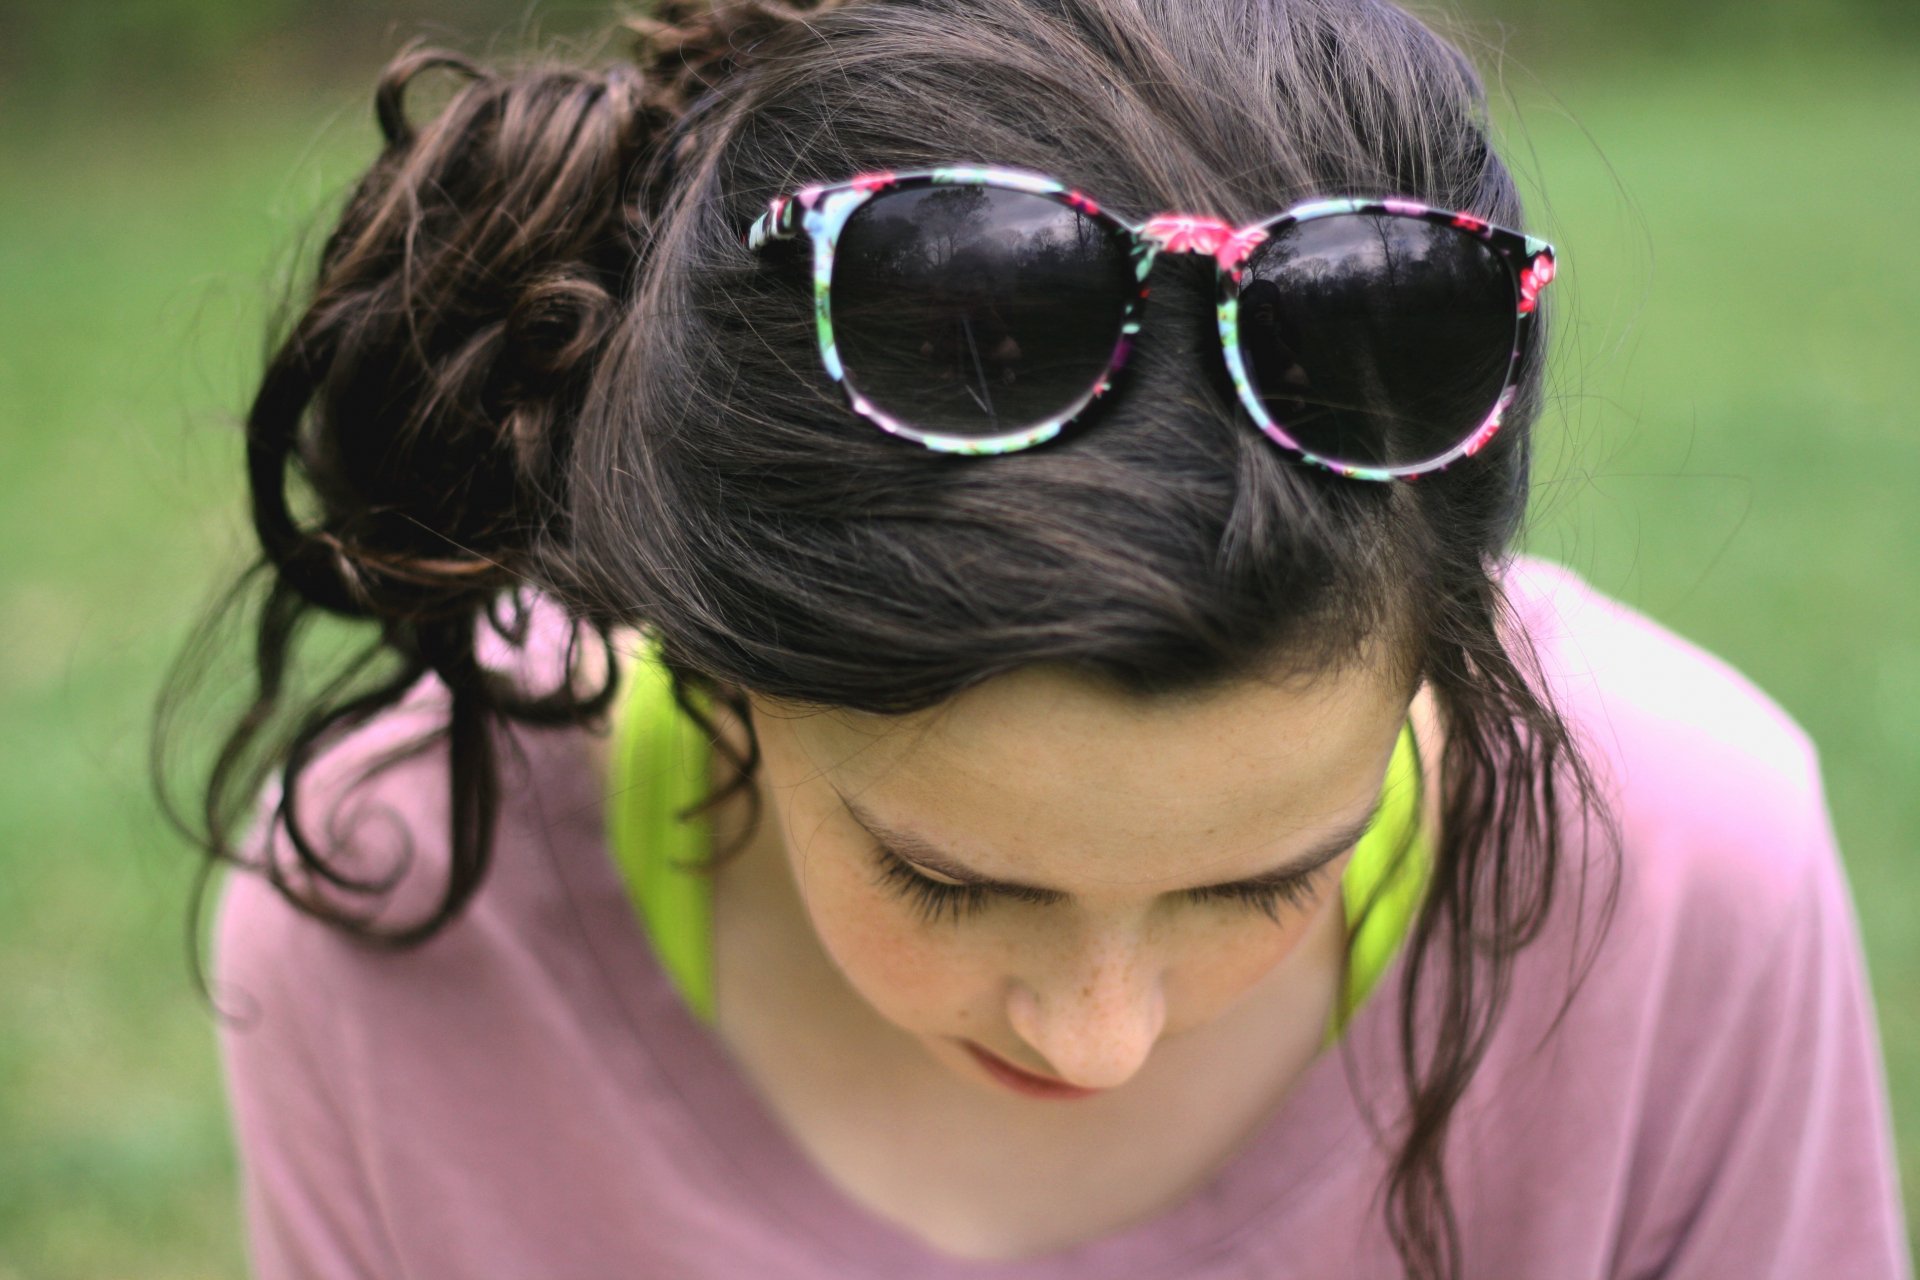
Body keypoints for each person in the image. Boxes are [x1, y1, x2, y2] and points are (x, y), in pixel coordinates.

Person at [162, 0, 1911, 1275]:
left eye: (1261, 881)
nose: (1100, 1036)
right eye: (949, 879)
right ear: (712, 638)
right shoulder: (397, 920)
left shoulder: (1692, 878)